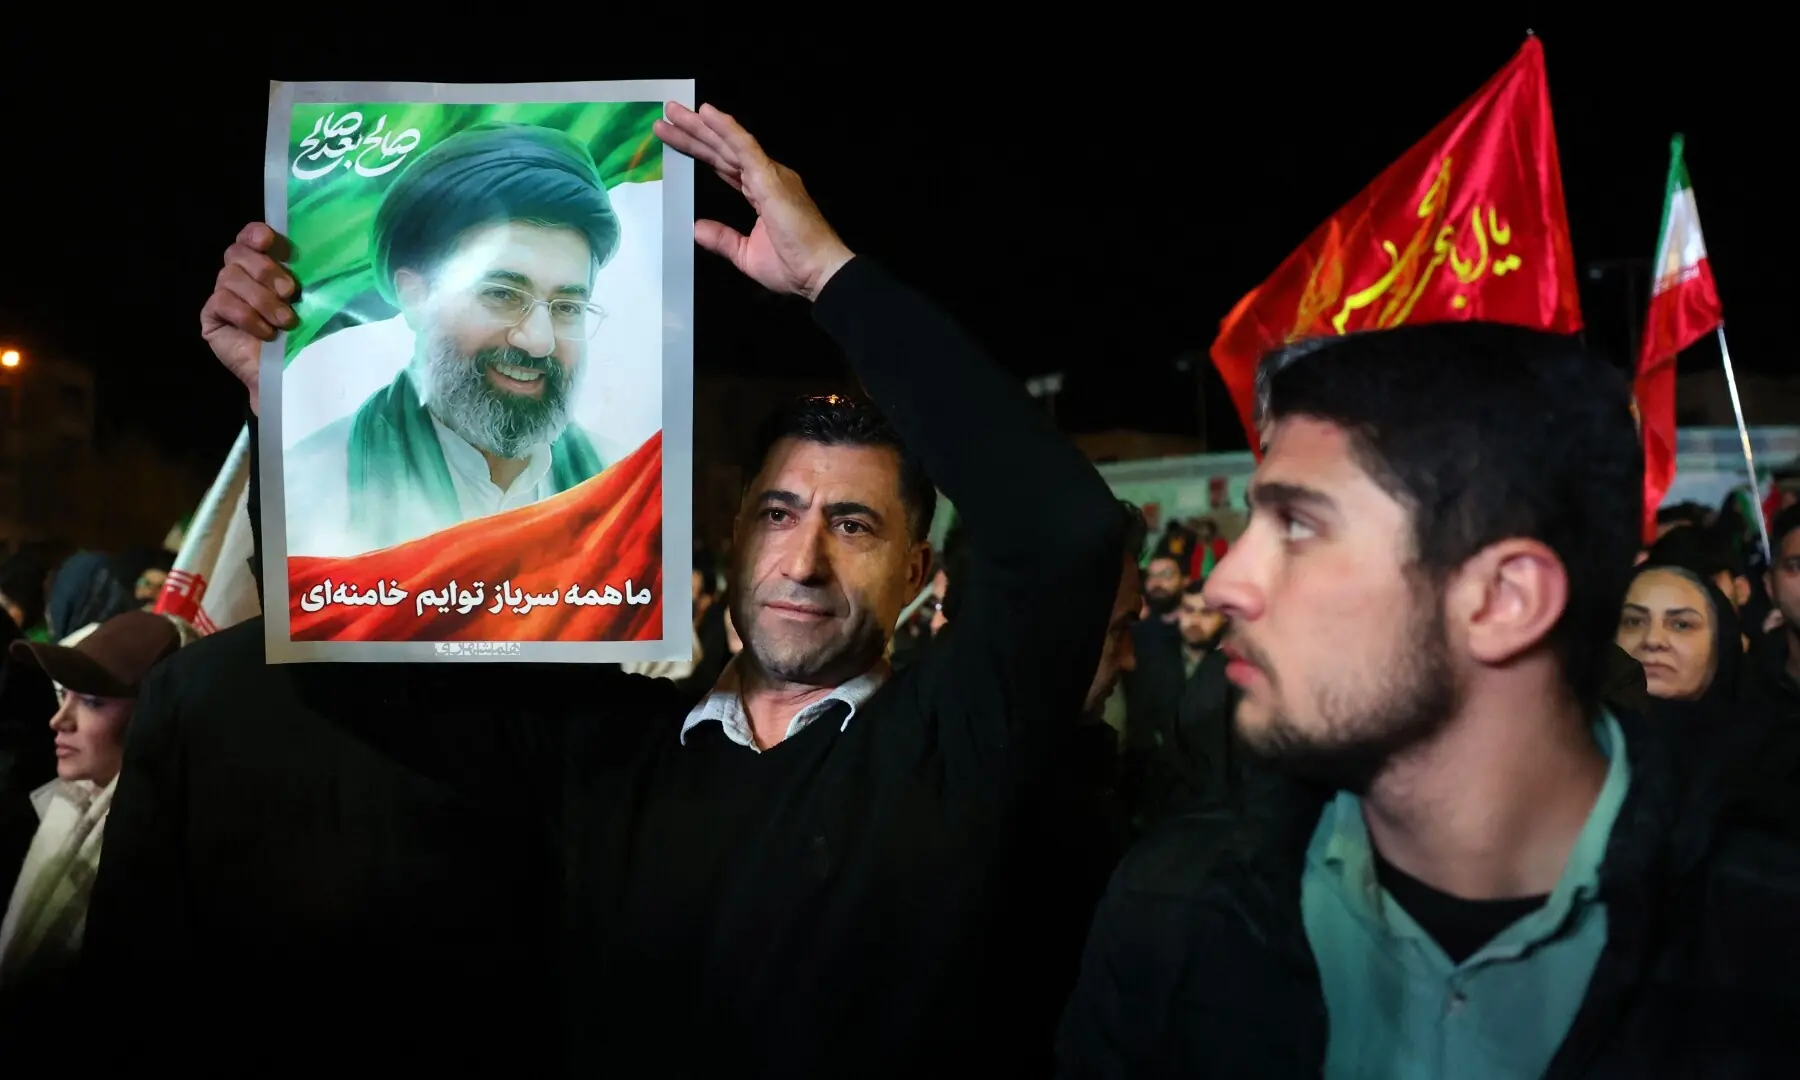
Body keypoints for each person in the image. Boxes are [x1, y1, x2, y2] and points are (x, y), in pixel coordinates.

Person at [94, 102, 1126, 1077]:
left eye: (853, 525)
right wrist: (288, 400)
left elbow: (1067, 531)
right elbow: (363, 670)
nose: (804, 560)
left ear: (920, 570)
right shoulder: (609, 745)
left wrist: (832, 281)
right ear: (728, 534)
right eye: (779, 513)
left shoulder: (957, 744)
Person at [1057, 322, 1800, 1077]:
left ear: (1502, 599)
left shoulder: (1759, 944)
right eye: (1257, 520)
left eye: (1300, 525)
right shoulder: (1175, 912)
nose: (1227, 584)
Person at [265, 123, 623, 556]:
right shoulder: (312, 485)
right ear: (415, 297)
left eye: (567, 307)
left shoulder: (625, 488)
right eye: (503, 295)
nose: (538, 341)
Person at [0, 611, 181, 1052]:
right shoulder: (67, 805)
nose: (59, 720)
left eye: (93, 701)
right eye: (64, 695)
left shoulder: (161, 858)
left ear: (154, 714)